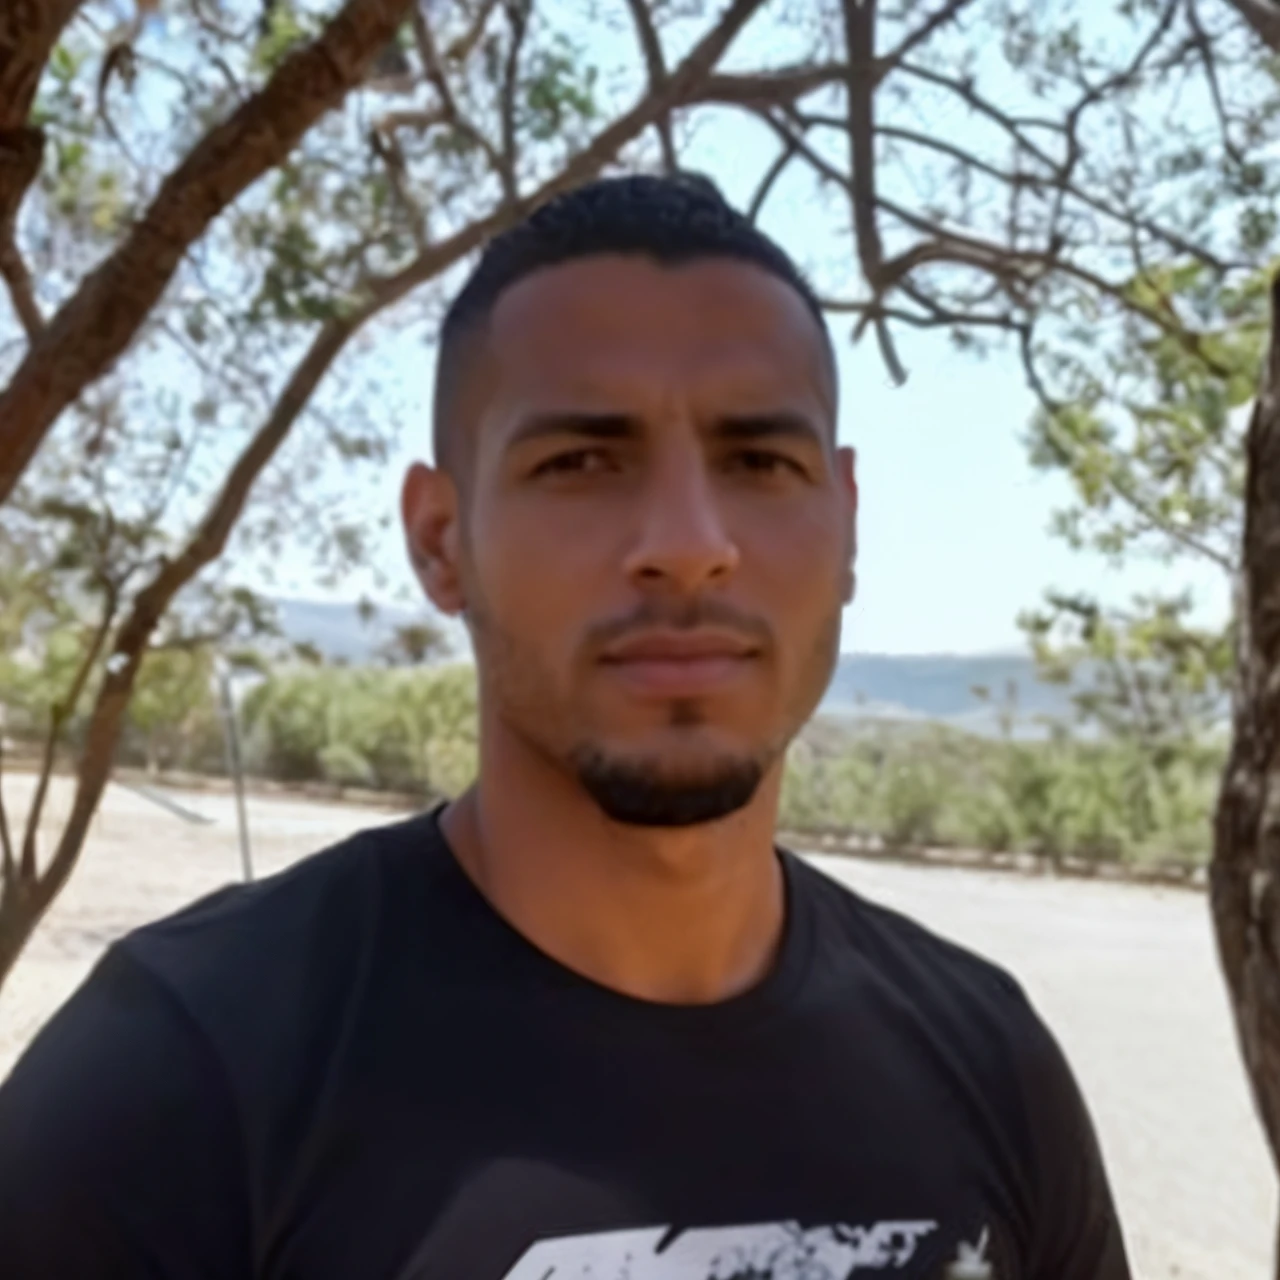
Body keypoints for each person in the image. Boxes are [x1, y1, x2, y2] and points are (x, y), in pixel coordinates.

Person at [0, 173, 1130, 1280]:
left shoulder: (989, 1064)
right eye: (581, 460)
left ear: (842, 526)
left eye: (757, 460)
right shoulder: (183, 1075)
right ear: (441, 539)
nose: (688, 540)